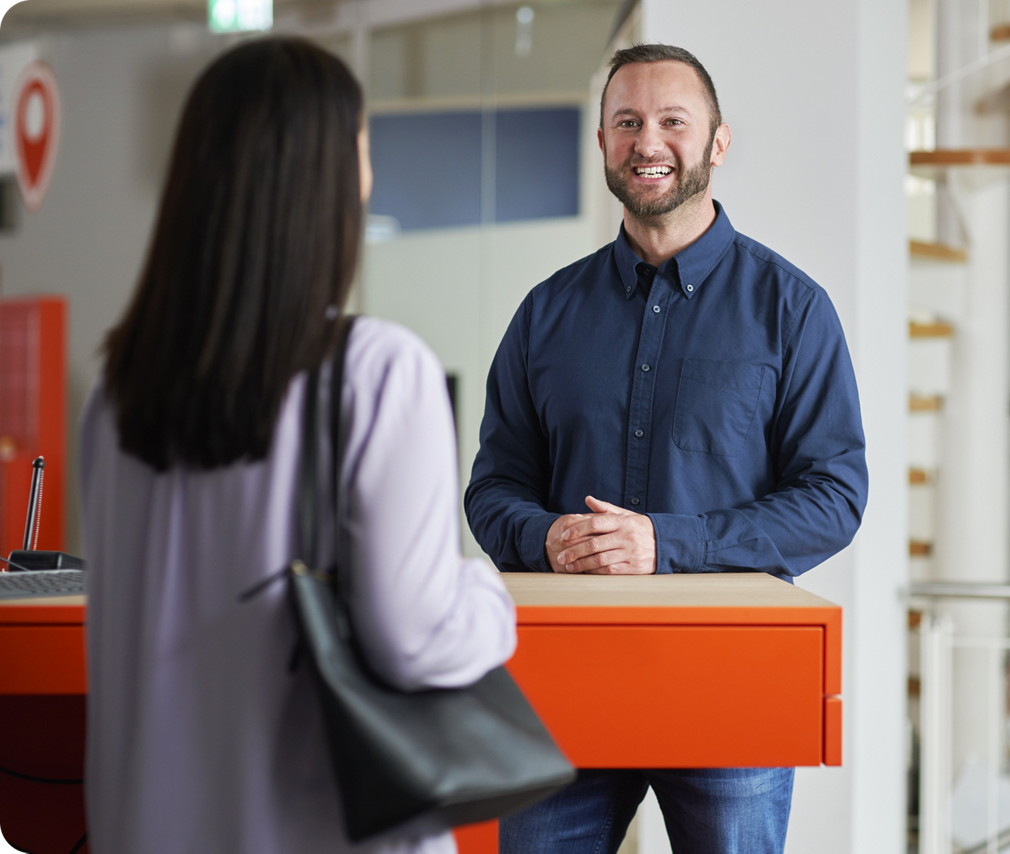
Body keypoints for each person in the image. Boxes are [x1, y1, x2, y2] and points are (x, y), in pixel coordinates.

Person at [79, 38, 515, 854]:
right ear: (323, 183)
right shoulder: (377, 373)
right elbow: (414, 637)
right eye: (362, 150)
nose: (370, 176)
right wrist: (489, 595)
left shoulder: (115, 394)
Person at [465, 43, 868, 854]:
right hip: (561, 686)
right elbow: (493, 489)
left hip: (732, 680)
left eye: (673, 121)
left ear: (717, 142)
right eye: (627, 122)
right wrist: (544, 537)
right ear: (606, 144)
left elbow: (835, 495)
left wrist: (667, 544)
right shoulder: (544, 314)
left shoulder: (793, 310)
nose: (649, 141)